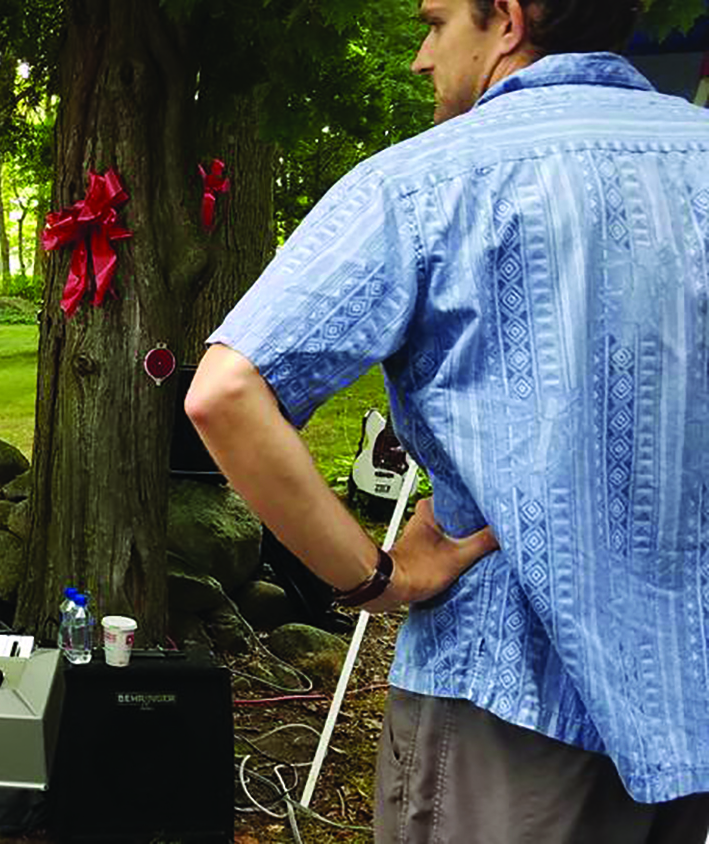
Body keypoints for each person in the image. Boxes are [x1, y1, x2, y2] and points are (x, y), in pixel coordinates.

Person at [185, 1, 709, 841]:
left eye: (434, 24)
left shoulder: (428, 181)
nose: (421, 58)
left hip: (510, 696)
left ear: (505, 19)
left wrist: (371, 577)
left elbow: (226, 391)